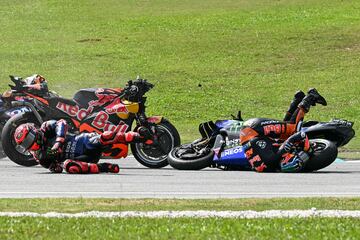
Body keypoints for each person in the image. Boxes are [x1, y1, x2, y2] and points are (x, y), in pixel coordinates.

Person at [13, 119, 151, 174]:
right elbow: (55, 168)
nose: (31, 144)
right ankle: (104, 167)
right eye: (26, 144)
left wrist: (58, 142)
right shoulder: (40, 155)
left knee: (106, 136)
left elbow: (62, 123)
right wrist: (54, 163)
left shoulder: (46, 127)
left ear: (34, 131)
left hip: (83, 141)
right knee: (70, 167)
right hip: (83, 158)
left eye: (29, 139)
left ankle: (139, 137)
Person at [240, 88, 327, 173]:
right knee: (285, 133)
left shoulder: (278, 156)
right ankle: (297, 99)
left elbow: (300, 135)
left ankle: (310, 97)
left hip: (254, 129)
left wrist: (309, 150)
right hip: (248, 135)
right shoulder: (269, 169)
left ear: (286, 160)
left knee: (292, 129)